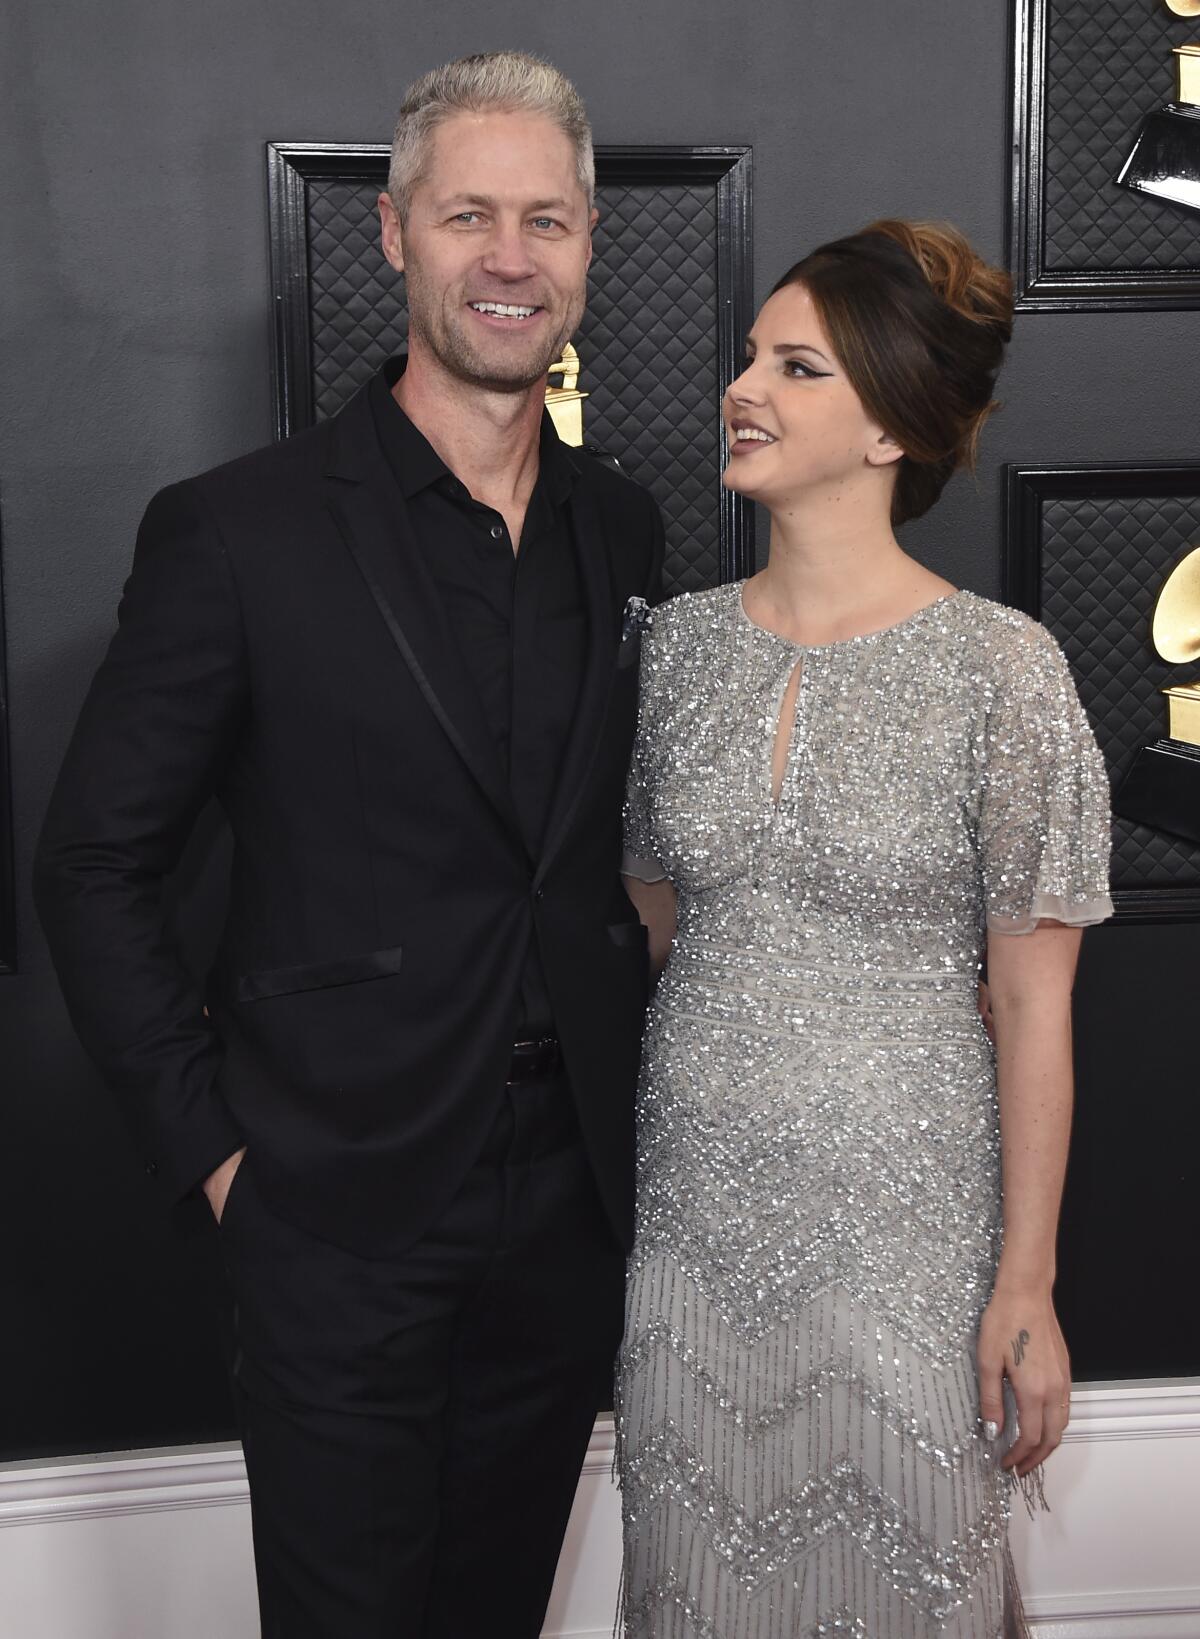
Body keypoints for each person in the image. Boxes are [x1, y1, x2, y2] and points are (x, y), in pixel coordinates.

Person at [34, 51, 663, 1639]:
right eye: (468, 215)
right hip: (336, 1210)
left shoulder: (626, 528)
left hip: (573, 1209)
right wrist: (225, 1166)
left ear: (590, 242)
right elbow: (93, 867)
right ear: (392, 235)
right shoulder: (236, 530)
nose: (509, 258)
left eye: (546, 220)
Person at [616, 220, 1112, 1637]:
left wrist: (1029, 1280)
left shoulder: (1004, 673)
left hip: (908, 1233)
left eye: (796, 366)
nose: (743, 388)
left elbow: (1032, 1008)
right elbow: (654, 934)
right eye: (749, 359)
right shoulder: (677, 652)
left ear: (892, 425)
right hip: (693, 1225)